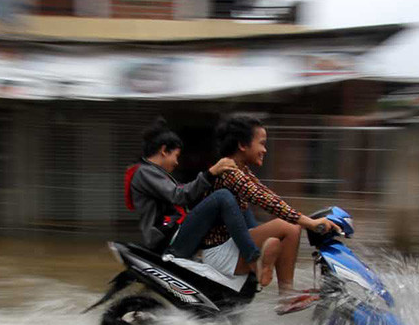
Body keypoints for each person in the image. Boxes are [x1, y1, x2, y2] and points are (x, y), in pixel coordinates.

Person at [202, 115, 341, 308]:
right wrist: (310, 223)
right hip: (220, 253)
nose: (265, 150)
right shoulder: (229, 172)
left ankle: (284, 291)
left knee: (287, 230)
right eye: (262, 143)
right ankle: (278, 285)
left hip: (231, 247)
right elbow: (264, 200)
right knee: (288, 226)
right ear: (243, 145)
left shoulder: (241, 171)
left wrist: (308, 220)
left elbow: (271, 197)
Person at [125, 118, 280, 285]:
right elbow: (179, 195)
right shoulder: (144, 173)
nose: (177, 162)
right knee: (223, 197)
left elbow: (185, 197)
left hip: (179, 232)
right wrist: (210, 173)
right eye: (176, 156)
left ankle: (258, 242)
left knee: (235, 199)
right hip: (169, 239)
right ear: (164, 151)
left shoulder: (154, 173)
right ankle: (253, 258)